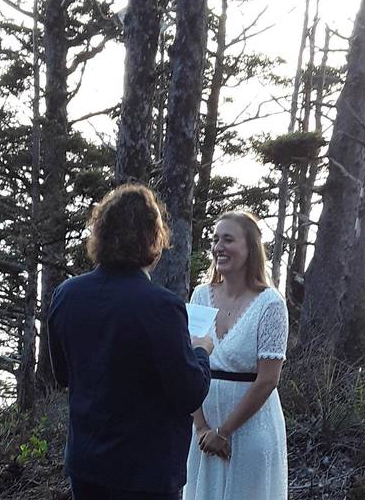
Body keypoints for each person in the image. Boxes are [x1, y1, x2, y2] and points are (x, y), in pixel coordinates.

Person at [48, 183, 215, 500]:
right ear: (152, 238)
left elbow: (63, 374)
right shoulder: (161, 306)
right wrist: (201, 351)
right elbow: (189, 392)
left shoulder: (67, 294)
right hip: (145, 472)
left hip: (86, 464)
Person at [184, 211, 289, 500]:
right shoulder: (200, 296)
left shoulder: (270, 304)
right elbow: (190, 362)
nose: (219, 247)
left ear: (249, 247)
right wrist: (203, 428)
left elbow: (268, 379)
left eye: (228, 239)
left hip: (250, 432)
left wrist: (224, 431)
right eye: (216, 239)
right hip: (203, 435)